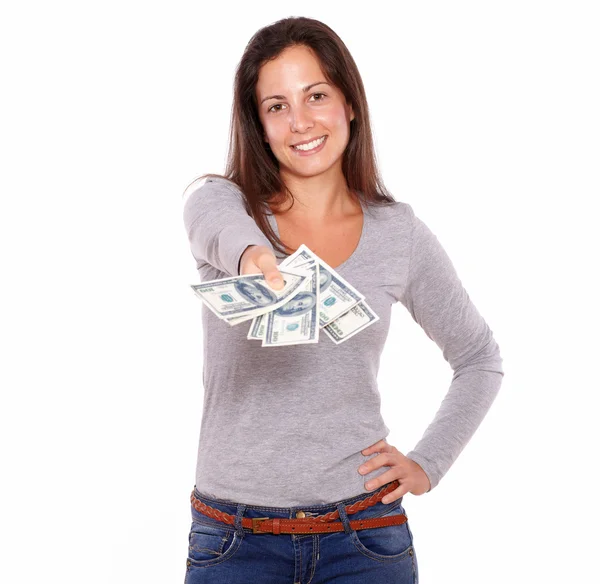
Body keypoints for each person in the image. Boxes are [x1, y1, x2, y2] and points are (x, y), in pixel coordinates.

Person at [181, 16, 504, 583]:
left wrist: (428, 464)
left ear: (349, 104)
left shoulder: (397, 233)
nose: (300, 122)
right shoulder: (223, 205)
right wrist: (259, 260)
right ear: (258, 123)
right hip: (234, 541)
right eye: (276, 105)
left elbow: (478, 358)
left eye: (316, 96)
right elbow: (214, 227)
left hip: (364, 539)